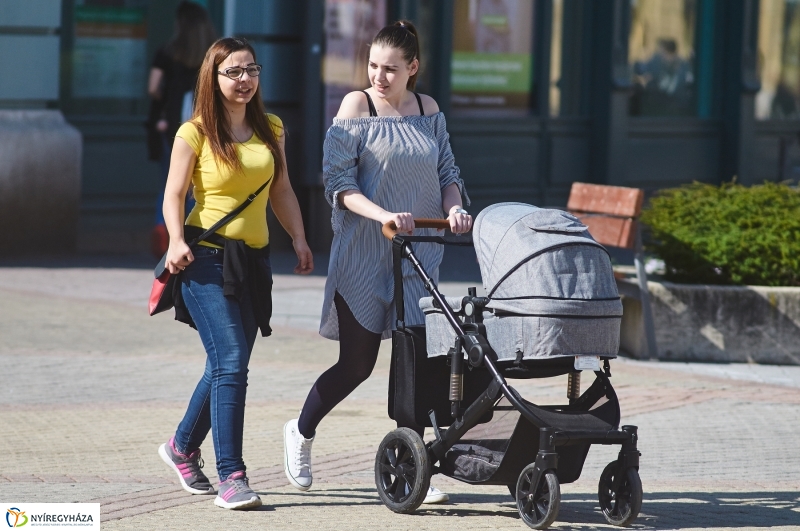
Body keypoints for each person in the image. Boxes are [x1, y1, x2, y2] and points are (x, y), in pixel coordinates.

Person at [283, 20, 471, 505]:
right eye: (372, 66)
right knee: (357, 365)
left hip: (418, 255)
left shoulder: (429, 110)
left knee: (415, 366)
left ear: (414, 68)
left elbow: (447, 171)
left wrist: (453, 208)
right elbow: (340, 185)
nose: (379, 77)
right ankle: (300, 432)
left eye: (390, 69)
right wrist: (384, 214)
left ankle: (413, 472)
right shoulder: (356, 106)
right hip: (365, 253)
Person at [157, 37, 314, 511]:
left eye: (251, 70)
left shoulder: (272, 128)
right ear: (214, 76)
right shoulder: (195, 132)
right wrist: (175, 240)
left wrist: (300, 238)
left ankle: (181, 447)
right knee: (231, 359)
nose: (244, 80)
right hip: (205, 257)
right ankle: (233, 475)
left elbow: (281, 189)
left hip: (255, 260)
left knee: (230, 361)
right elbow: (173, 194)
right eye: (233, 72)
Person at [146, 1, 217, 258]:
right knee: (196, 183)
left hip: (173, 125)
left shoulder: (167, 52)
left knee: (169, 181)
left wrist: (165, 101)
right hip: (204, 125)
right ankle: (189, 233)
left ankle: (162, 227)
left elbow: (153, 87)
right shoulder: (213, 54)